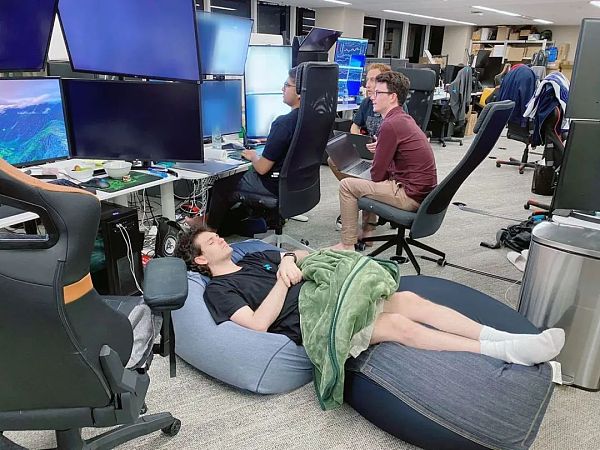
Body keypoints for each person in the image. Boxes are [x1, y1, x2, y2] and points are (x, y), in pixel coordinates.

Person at [175, 225, 565, 368]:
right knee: (396, 324)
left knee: (411, 301)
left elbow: (302, 256)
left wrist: (289, 260)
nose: (221, 239)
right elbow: (258, 324)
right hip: (315, 322)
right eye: (212, 241)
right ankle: (503, 353)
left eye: (218, 235)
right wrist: (283, 280)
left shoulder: (252, 255)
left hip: (329, 292)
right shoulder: (219, 290)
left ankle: (505, 337)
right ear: (200, 260)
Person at [330, 71, 437, 251]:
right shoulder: (401, 118)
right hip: (420, 192)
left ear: (392, 97)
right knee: (360, 181)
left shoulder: (390, 124)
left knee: (347, 186)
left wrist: (375, 159)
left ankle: (347, 246)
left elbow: (377, 176)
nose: (373, 97)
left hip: (409, 195)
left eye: (378, 93)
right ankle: (366, 231)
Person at [205, 67, 301, 233]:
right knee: (237, 179)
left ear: (299, 92)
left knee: (221, 185)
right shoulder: (310, 119)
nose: (282, 89)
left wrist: (253, 156)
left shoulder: (284, 123)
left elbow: (262, 168)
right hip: (296, 185)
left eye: (287, 85)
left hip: (272, 185)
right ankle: (244, 222)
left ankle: (208, 233)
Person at [328, 63, 392, 231]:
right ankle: (357, 195)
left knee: (366, 176)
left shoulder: (394, 107)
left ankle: (363, 205)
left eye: (373, 80)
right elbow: (355, 125)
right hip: (367, 151)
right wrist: (357, 140)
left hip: (385, 158)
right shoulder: (366, 103)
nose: (368, 84)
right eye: (367, 79)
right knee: (334, 160)